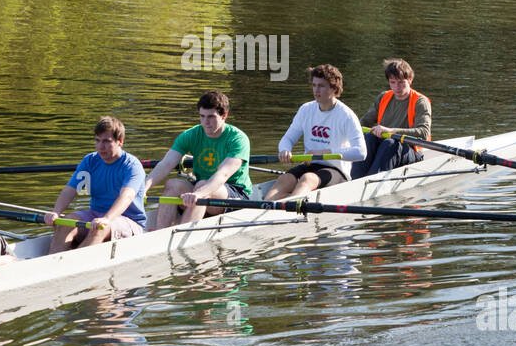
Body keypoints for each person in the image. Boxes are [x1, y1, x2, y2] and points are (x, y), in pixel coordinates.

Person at [143, 90, 253, 228]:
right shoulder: (191, 134)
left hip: (235, 194)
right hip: (201, 190)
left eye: (211, 117)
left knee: (201, 185)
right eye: (202, 116)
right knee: (172, 184)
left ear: (224, 116)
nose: (206, 122)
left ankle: (180, 235)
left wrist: (199, 193)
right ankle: (159, 233)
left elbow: (222, 174)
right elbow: (166, 164)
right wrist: (144, 188)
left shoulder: (238, 139)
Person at [43, 116, 148, 253]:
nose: (100, 147)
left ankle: (72, 263)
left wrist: (106, 218)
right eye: (97, 141)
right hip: (96, 215)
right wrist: (56, 212)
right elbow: (71, 190)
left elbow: (126, 197)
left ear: (120, 142)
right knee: (65, 222)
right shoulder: (90, 161)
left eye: (106, 141)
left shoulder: (132, 166)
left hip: (130, 221)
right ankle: (53, 262)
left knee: (100, 228)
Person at [265, 64, 365, 198]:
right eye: (314, 85)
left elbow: (361, 152)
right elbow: (287, 139)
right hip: (310, 164)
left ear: (334, 88)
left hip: (336, 171)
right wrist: (284, 150)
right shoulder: (306, 109)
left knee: (307, 179)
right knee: (284, 179)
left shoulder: (346, 115)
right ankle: (267, 207)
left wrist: (322, 153)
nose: (316, 90)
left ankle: (289, 211)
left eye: (321, 86)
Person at [353, 58, 433, 178]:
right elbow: (364, 122)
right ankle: (355, 178)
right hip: (385, 146)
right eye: (392, 82)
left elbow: (424, 133)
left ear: (410, 80)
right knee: (368, 137)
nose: (397, 87)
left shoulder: (420, 101)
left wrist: (391, 131)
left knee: (390, 143)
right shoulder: (383, 97)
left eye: (401, 82)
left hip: (411, 150)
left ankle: (372, 180)